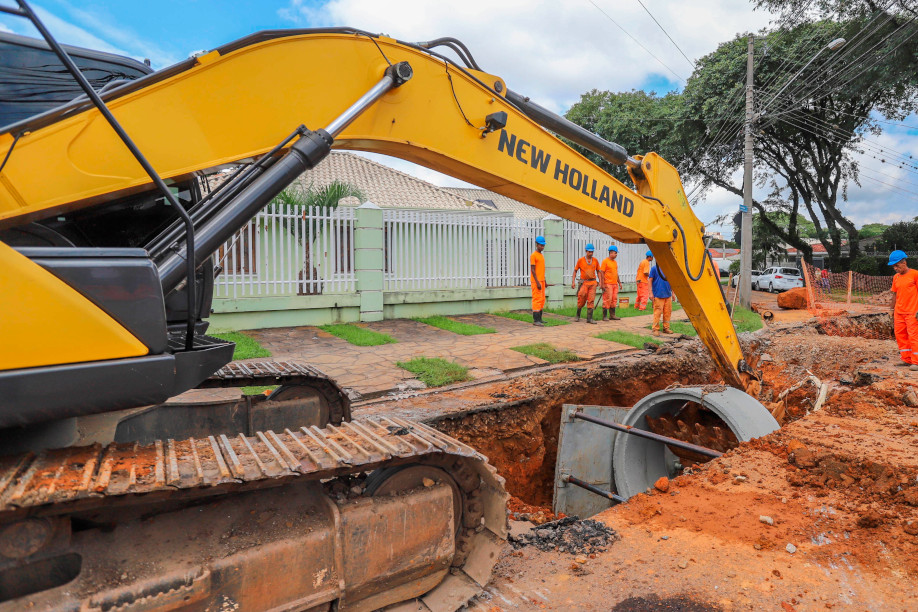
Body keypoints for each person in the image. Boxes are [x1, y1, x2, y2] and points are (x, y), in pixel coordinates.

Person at [889, 250, 918, 370]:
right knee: (901, 335)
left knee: (913, 336)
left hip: (912, 312)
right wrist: (891, 309)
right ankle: (906, 359)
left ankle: (916, 361)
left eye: (897, 265)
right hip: (899, 312)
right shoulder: (896, 277)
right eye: (893, 266)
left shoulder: (915, 275)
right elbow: (894, 295)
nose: (895, 268)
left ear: (904, 262)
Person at [572, 243, 600, 324]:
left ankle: (589, 318)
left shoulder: (595, 260)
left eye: (592, 252)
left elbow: (598, 271)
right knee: (581, 298)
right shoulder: (580, 260)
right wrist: (573, 282)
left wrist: (601, 282)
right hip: (584, 282)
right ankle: (578, 315)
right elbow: (575, 271)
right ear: (586, 251)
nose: (591, 253)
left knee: (591, 300)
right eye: (589, 252)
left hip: (593, 282)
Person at [649, 262, 673, 335]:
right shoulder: (654, 269)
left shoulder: (668, 268)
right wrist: (650, 293)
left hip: (668, 294)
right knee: (657, 312)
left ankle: (666, 328)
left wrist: (673, 293)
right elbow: (650, 280)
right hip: (658, 295)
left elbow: (672, 281)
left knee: (667, 312)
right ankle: (655, 329)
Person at [600, 245, 623, 321]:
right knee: (607, 299)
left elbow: (616, 273)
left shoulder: (615, 262)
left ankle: (612, 315)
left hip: (614, 284)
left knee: (614, 299)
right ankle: (604, 316)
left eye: (616, 253)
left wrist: (619, 283)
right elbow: (601, 273)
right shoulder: (605, 261)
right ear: (610, 253)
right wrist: (602, 284)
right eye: (615, 253)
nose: (616, 254)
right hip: (608, 284)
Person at [530, 236, 547, 326]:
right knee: (536, 299)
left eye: (543, 245)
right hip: (536, 281)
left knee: (542, 299)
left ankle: (540, 319)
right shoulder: (533, 255)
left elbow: (542, 269)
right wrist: (537, 282)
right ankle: (536, 320)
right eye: (541, 245)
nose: (542, 247)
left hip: (542, 281)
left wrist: (545, 281)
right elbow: (533, 270)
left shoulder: (541, 255)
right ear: (537, 244)